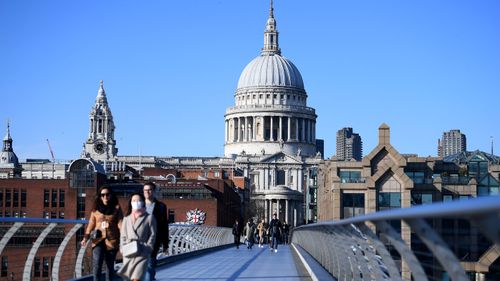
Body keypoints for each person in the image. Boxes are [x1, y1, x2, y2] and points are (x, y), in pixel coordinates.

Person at [81, 186, 123, 281]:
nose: (105, 197)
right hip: (98, 240)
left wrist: (124, 236)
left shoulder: (116, 208)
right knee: (97, 264)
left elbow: (120, 223)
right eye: (102, 195)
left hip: (112, 241)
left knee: (109, 266)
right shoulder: (95, 209)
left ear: (111, 195)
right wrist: (85, 237)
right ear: (100, 197)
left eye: (107, 194)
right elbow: (91, 224)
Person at [117, 193, 157, 281]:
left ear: (143, 202)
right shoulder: (126, 218)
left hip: (142, 250)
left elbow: (152, 234)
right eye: (134, 201)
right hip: (128, 250)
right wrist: (122, 248)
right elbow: (123, 235)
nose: (136, 202)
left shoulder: (149, 217)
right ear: (130, 203)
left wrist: (149, 247)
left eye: (139, 200)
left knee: (137, 277)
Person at [143, 182, 169, 281]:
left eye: (149, 190)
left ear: (154, 192)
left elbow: (164, 226)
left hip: (153, 240)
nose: (147, 192)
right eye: (145, 190)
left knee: (149, 265)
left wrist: (165, 244)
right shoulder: (138, 205)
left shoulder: (161, 206)